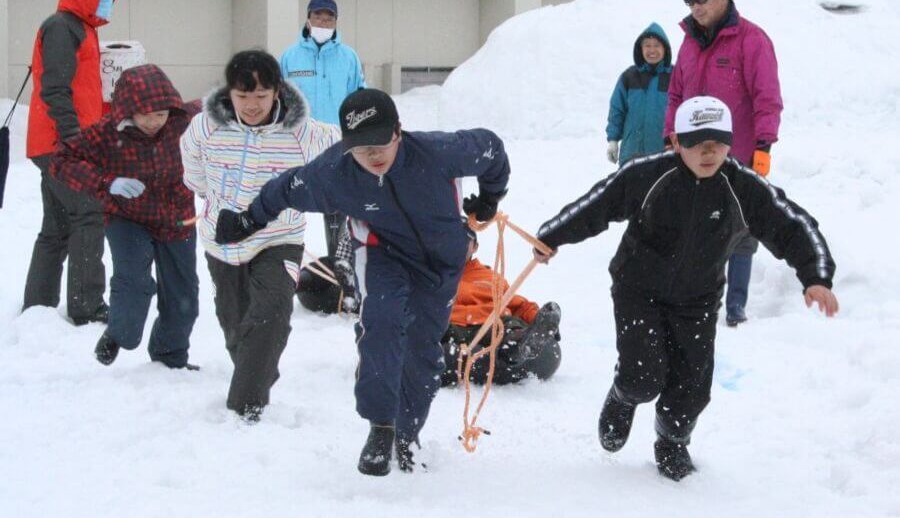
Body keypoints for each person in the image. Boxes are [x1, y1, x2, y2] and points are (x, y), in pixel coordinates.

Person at [534, 96, 838, 482]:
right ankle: (625, 394)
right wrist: (552, 236)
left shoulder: (741, 186)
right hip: (638, 288)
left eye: (718, 143)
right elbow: (599, 203)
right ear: (677, 142)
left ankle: (672, 440)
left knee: (692, 386)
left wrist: (816, 276)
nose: (709, 152)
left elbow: (791, 223)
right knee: (643, 374)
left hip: (697, 299)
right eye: (697, 143)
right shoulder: (649, 174)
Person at [213, 88, 510, 476]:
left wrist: (490, 198)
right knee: (383, 320)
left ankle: (407, 436)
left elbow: (492, 149)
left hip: (441, 263)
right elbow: (286, 188)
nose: (373, 155)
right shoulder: (336, 175)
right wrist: (247, 221)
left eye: (380, 143)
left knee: (421, 353)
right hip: (381, 253)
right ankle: (381, 426)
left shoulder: (439, 153)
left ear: (398, 132)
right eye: (361, 148)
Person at [180, 49, 339, 421]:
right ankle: (258, 369)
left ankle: (245, 406)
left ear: (277, 92)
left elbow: (344, 148)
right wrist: (210, 195)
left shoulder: (302, 132)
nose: (252, 105)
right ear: (229, 93)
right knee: (235, 326)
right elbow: (192, 167)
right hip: (222, 241)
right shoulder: (205, 127)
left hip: (279, 237)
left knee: (272, 313)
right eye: (242, 96)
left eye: (261, 96)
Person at [50, 64, 199, 369]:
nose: (154, 122)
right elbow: (61, 159)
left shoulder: (185, 122)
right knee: (133, 283)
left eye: (161, 114)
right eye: (146, 115)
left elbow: (228, 109)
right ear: (129, 110)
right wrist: (107, 182)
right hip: (127, 217)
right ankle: (120, 332)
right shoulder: (107, 132)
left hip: (177, 218)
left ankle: (169, 357)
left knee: (183, 296)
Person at [663, 0, 784, 327]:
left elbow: (767, 97)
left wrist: (764, 145)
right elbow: (675, 95)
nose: (695, 7)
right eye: (690, 2)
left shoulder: (752, 40)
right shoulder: (688, 43)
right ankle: (700, 300)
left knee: (741, 229)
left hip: (738, 154)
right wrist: (670, 136)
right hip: (692, 154)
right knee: (696, 226)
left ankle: (736, 306)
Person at [23, 0, 125, 325]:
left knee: (58, 226)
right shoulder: (62, 27)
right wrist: (71, 141)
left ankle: (38, 308)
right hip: (60, 144)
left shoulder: (82, 29)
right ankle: (86, 305)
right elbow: (55, 89)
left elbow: (85, 93)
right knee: (89, 211)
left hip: (61, 143)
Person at [280, 0, 367, 262]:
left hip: (336, 143)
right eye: (318, 16)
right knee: (291, 205)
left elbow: (359, 98)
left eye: (329, 18)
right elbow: (279, 99)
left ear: (336, 22)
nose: (323, 22)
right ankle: (285, 263)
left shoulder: (349, 57)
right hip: (297, 144)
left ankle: (339, 264)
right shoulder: (290, 57)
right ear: (308, 19)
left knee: (336, 206)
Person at [441, 222, 561, 387]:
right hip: (451, 326)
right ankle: (445, 355)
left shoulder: (491, 277)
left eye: (464, 240)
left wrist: (537, 318)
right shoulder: (431, 276)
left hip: (491, 325)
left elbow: (518, 304)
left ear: (475, 247)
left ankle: (517, 346)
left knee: (509, 325)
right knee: (432, 330)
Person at [606, 22, 672, 166]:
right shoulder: (629, 76)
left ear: (665, 48)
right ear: (640, 49)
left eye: (657, 45)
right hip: (632, 152)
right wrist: (613, 140)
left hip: (665, 153)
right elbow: (617, 110)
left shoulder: (675, 77)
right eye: (647, 45)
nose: (652, 50)